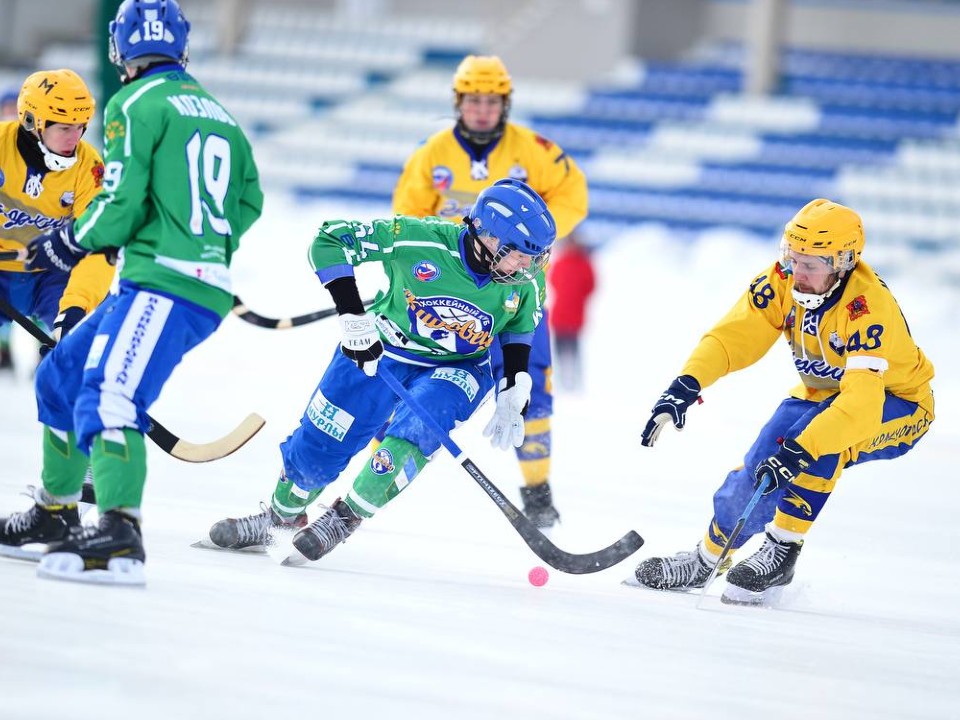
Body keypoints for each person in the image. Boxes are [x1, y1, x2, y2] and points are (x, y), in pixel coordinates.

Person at [0, 0, 263, 585]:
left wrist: (69, 243)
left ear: (120, 51)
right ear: (182, 48)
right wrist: (203, 246)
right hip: (181, 281)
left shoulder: (134, 103)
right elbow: (249, 204)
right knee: (62, 373)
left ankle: (120, 533)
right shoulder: (221, 115)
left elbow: (118, 203)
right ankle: (54, 512)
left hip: (165, 284)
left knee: (111, 398)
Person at [202, 178, 555, 564]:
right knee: (318, 449)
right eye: (518, 254)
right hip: (381, 348)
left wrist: (514, 382)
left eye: (533, 258)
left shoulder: (525, 280)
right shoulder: (417, 238)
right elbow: (330, 240)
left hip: (460, 367)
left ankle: (344, 517)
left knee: (420, 425)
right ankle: (279, 518)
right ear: (486, 238)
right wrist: (353, 318)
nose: (527, 266)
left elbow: (520, 326)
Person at [632, 198, 935, 605]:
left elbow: (859, 409)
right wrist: (686, 384)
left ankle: (783, 548)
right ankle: (707, 558)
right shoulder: (781, 279)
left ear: (844, 261)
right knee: (759, 464)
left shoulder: (868, 309)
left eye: (812, 264)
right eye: (793, 258)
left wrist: (802, 448)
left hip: (896, 403)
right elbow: (733, 337)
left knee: (820, 445)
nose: (798, 272)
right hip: (822, 394)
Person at [390, 55, 588, 528]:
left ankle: (537, 489)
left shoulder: (534, 150)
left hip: (516, 292)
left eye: (492, 101)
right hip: (448, 292)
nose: (482, 110)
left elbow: (573, 194)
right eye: (473, 100)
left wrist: (528, 238)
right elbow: (406, 213)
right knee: (411, 377)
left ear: (506, 103)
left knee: (531, 384)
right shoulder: (432, 152)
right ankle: (379, 469)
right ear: (459, 102)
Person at [0, 72, 109, 373]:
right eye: (64, 128)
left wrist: (77, 306)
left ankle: (71, 418)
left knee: (85, 350)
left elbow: (99, 244)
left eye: (80, 127)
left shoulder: (90, 167)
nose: (75, 138)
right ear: (33, 122)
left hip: (52, 274)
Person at [547, 232, 596, 391]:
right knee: (561, 351)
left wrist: (577, 297)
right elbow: (553, 281)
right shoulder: (563, 262)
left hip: (573, 315)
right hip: (562, 314)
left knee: (574, 351)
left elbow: (590, 286)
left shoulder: (583, 263)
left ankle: (575, 382)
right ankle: (562, 382)